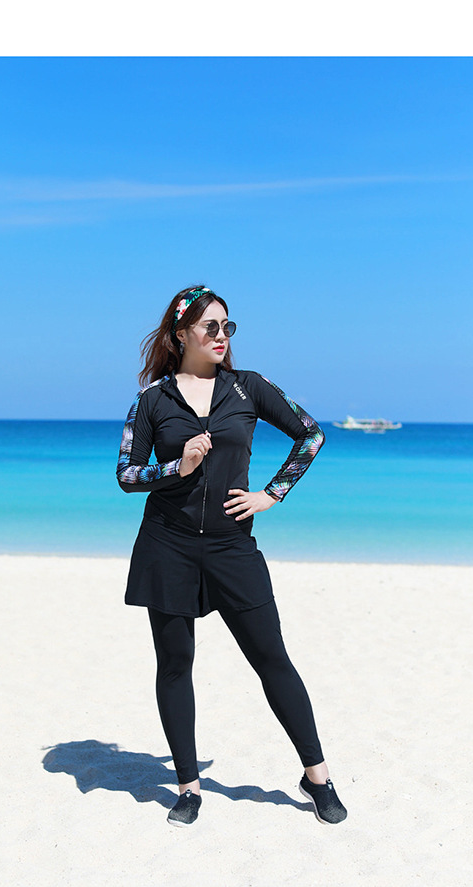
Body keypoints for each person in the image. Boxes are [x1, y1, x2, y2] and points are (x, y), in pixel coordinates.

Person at [116, 284, 346, 827]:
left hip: (232, 547)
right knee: (175, 665)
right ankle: (188, 787)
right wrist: (178, 467)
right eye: (210, 327)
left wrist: (272, 494)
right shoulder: (152, 400)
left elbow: (310, 436)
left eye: (227, 326)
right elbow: (127, 474)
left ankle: (317, 778)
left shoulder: (249, 388)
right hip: (167, 545)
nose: (221, 335)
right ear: (181, 335)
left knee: (272, 659)